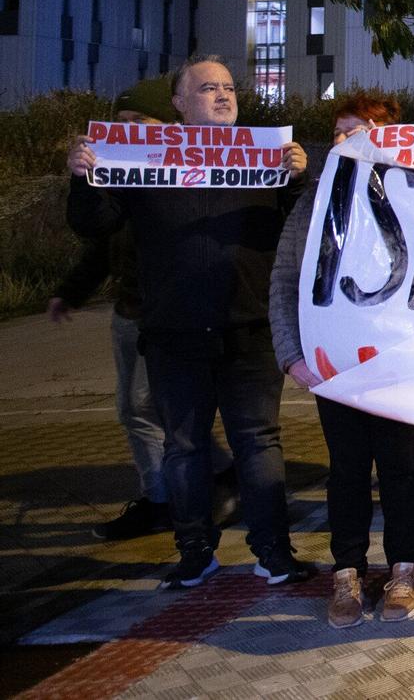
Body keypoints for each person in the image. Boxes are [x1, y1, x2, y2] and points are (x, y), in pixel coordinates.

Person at [66, 54, 313, 590]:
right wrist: (84, 178)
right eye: (207, 89)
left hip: (249, 330)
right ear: (178, 103)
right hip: (175, 333)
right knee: (185, 448)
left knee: (259, 443)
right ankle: (195, 552)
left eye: (228, 88)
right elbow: (94, 223)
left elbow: (304, 228)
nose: (223, 96)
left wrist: (297, 179)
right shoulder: (142, 160)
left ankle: (273, 551)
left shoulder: (264, 158)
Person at [48, 76, 235, 540]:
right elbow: (100, 241)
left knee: (146, 408)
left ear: (167, 123)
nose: (128, 130)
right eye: (121, 122)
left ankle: (171, 499)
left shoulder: (178, 173)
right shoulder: (120, 177)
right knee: (149, 410)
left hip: (170, 317)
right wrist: (71, 291)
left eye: (139, 121)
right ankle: (200, 484)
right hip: (131, 314)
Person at [269, 87, 414, 628]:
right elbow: (285, 278)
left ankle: (405, 567)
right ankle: (348, 571)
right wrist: (291, 355)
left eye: (356, 129)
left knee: (401, 467)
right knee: (347, 471)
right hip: (333, 364)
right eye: (337, 131)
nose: (342, 139)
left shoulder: (411, 193)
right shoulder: (313, 199)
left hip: (394, 363)